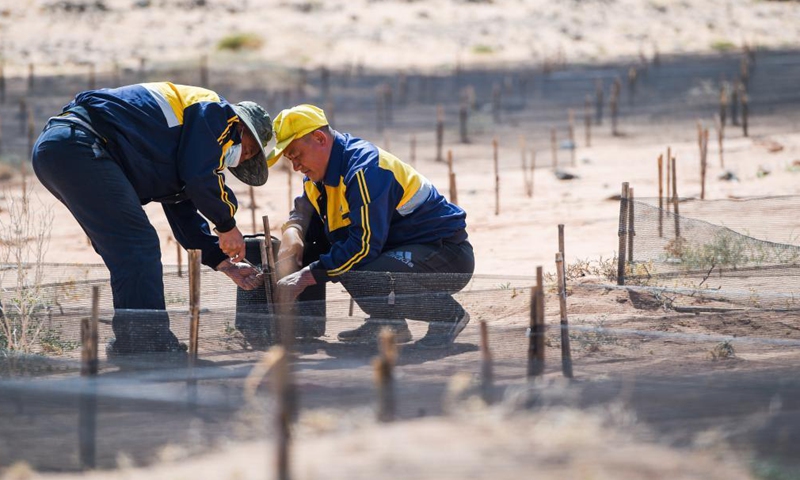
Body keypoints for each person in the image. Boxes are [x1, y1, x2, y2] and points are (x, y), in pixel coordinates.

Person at [32, 82, 271, 355]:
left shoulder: (185, 147)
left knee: (128, 251)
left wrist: (221, 261)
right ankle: (147, 346)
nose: (240, 160)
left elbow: (184, 209)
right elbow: (199, 178)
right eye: (250, 151)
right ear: (242, 128)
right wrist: (227, 226)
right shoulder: (217, 112)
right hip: (82, 145)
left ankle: (133, 345)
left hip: (60, 150)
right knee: (138, 246)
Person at [271, 104, 474, 348]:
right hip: (400, 252)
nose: (295, 166)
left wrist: (306, 276)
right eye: (289, 159)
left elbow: (364, 246)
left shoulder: (366, 170)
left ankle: (447, 316)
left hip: (446, 255)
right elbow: (305, 211)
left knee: (355, 265)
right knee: (330, 252)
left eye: (296, 155)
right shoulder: (318, 178)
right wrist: (293, 230)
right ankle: (389, 325)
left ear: (319, 138)